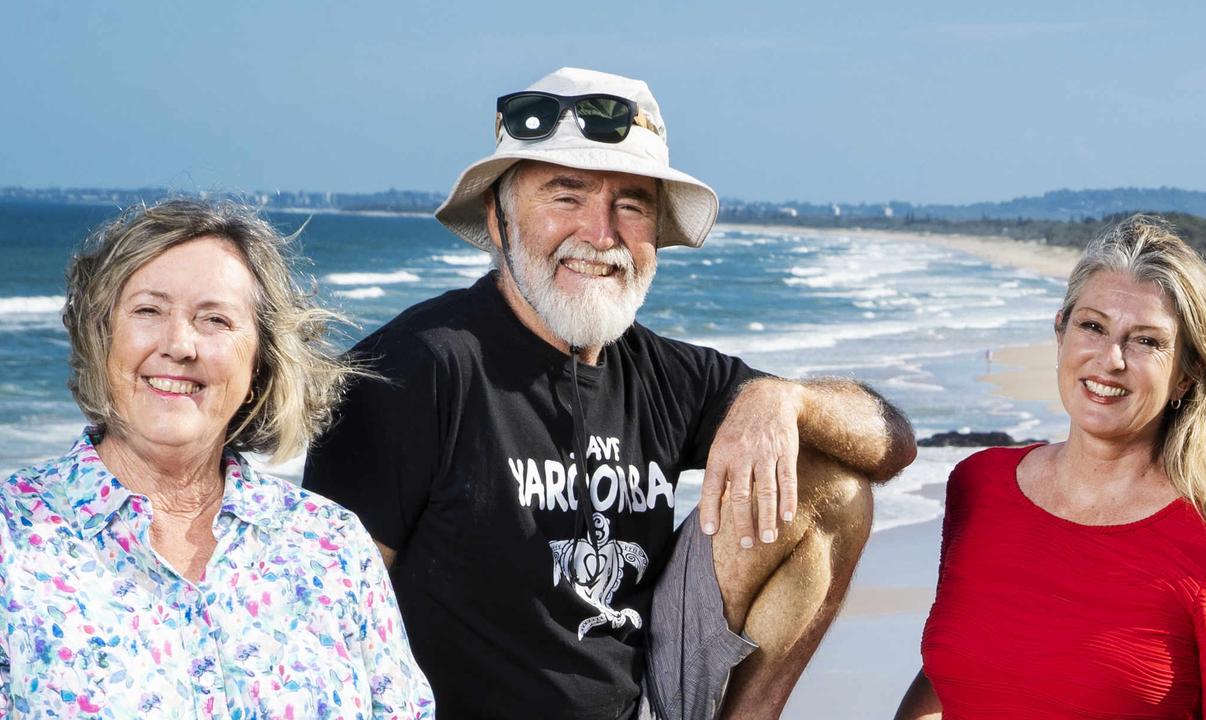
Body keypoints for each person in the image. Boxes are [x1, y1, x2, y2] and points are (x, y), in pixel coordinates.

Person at [303, 67, 917, 720]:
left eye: (631, 204)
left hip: (645, 700)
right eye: (565, 197)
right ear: (498, 215)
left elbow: (893, 443)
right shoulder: (415, 367)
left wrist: (784, 399)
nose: (601, 233)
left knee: (831, 483)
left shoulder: (658, 372)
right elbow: (328, 616)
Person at [0, 200, 434, 717]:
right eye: (148, 311)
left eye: (214, 320)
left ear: (260, 364)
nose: (179, 344)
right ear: (100, 336)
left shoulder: (332, 546)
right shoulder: (13, 541)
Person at [896, 215, 1206, 719]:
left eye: (1147, 341)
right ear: (1061, 331)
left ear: (1187, 375)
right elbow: (951, 672)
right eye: (1093, 326)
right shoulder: (979, 486)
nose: (1110, 358)